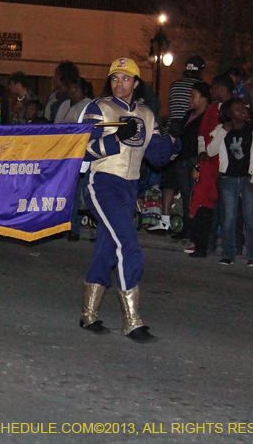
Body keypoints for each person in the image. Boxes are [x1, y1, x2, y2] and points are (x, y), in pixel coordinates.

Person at [79, 58, 179, 343]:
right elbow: (82, 150)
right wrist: (116, 139)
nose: (119, 83)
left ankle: (88, 314)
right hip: (103, 184)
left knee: (107, 247)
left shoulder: (147, 114)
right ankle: (132, 321)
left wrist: (174, 141)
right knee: (129, 245)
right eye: (114, 78)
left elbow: (158, 158)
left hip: (129, 188)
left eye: (125, 78)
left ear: (136, 83)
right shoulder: (99, 108)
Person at [206, 99, 253, 266]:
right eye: (237, 108)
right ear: (229, 113)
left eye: (243, 107)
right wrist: (222, 132)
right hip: (228, 178)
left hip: (248, 178)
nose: (242, 110)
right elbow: (210, 151)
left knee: (249, 217)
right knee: (228, 217)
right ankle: (228, 254)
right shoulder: (221, 130)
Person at [187, 74, 234, 258]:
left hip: (226, 165)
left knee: (227, 210)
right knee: (206, 203)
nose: (211, 91)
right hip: (209, 161)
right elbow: (202, 134)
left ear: (222, 88)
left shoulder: (236, 108)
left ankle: (230, 247)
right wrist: (202, 152)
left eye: (214, 87)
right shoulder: (213, 109)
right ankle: (204, 244)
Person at [169, 83, 210, 241]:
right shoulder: (189, 114)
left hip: (194, 159)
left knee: (195, 195)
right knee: (186, 195)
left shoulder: (207, 117)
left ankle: (194, 229)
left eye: (194, 96)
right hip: (183, 158)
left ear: (204, 98)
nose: (190, 99)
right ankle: (187, 228)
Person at [56, 77, 93, 241]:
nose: (68, 91)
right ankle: (60, 225)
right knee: (63, 191)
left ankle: (74, 227)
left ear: (78, 89)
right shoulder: (65, 104)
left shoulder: (89, 106)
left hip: (78, 154)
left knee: (77, 192)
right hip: (62, 153)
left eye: (71, 88)